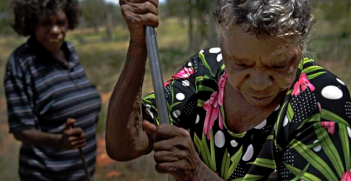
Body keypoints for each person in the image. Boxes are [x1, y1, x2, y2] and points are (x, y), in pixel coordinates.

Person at [106, 0, 351, 180]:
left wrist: (198, 173)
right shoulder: (204, 73)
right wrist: (138, 42)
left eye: (278, 65)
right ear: (222, 46)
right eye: (241, 64)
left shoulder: (322, 103)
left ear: (299, 52)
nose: (258, 83)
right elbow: (125, 145)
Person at [4, 0, 101, 180]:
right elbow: (20, 129)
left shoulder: (70, 51)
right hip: (45, 174)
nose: (55, 30)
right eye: (45, 23)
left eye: (60, 22)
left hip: (83, 172)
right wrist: (59, 141)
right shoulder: (21, 62)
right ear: (31, 23)